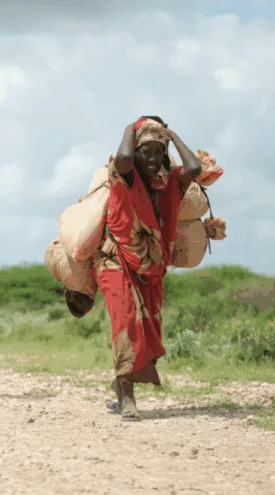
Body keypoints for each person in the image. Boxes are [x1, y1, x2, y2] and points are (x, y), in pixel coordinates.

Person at [70, 116, 200, 420]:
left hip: (151, 267)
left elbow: (194, 168)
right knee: (126, 323)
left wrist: (171, 136)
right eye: (146, 152)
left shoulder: (169, 184)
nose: (152, 159)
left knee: (148, 328)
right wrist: (132, 128)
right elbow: (125, 157)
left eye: (158, 152)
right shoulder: (124, 176)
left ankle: (120, 389)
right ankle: (128, 399)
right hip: (115, 259)